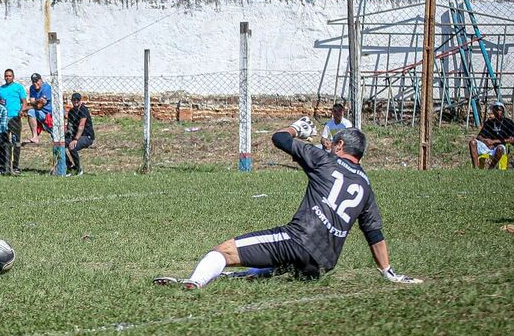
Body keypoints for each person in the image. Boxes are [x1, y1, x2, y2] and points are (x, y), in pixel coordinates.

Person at [154, 118, 422, 289]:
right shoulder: (365, 186)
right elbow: (374, 233)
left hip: (298, 240)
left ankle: (193, 283)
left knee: (223, 251)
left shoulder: (325, 159)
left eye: (333, 143)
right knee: (270, 271)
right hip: (323, 263)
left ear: (340, 145)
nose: (328, 145)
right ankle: (230, 278)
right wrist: (387, 271)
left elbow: (279, 139)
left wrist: (297, 127)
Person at [0, 68, 27, 175]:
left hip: (15, 118)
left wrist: (21, 111)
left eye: (9, 76)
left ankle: (16, 166)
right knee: (4, 142)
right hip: (4, 118)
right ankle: (5, 165)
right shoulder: (0, 89)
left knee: (16, 142)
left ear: (13, 77)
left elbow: (24, 102)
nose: (7, 77)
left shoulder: (18, 88)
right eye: (6, 76)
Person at [469, 101, 514, 169]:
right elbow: (479, 136)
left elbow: (511, 140)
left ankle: (491, 168)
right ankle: (476, 168)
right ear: (493, 111)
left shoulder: (508, 123)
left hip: (499, 146)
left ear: (503, 111)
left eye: (500, 110)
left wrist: (493, 142)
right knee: (472, 142)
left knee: (500, 148)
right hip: (487, 146)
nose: (498, 112)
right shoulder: (489, 122)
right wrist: (485, 141)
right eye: (496, 110)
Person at [65, 92, 95, 176]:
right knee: (59, 145)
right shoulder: (71, 112)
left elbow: (81, 125)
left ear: (80, 101)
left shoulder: (83, 109)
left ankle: (78, 169)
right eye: (74, 100)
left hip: (87, 136)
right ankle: (70, 166)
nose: (75, 101)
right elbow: (70, 126)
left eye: (77, 100)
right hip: (74, 136)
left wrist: (75, 140)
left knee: (72, 147)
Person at [26, 72, 53, 143]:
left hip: (50, 115)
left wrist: (27, 107)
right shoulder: (32, 88)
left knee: (56, 138)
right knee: (31, 112)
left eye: (37, 81)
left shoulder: (46, 87)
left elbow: (39, 105)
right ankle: (35, 137)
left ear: (41, 80)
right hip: (41, 113)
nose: (35, 83)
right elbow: (32, 101)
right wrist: (37, 101)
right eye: (33, 81)